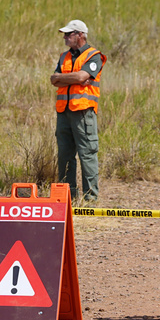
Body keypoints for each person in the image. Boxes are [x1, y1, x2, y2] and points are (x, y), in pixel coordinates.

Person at [50, 19, 105, 202]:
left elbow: (81, 75)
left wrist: (64, 77)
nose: (65, 37)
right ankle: (68, 199)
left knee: (87, 154)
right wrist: (75, 79)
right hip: (63, 113)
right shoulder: (63, 56)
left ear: (80, 35)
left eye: (68, 34)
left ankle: (91, 200)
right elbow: (53, 79)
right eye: (64, 34)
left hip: (83, 112)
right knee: (65, 155)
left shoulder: (93, 55)